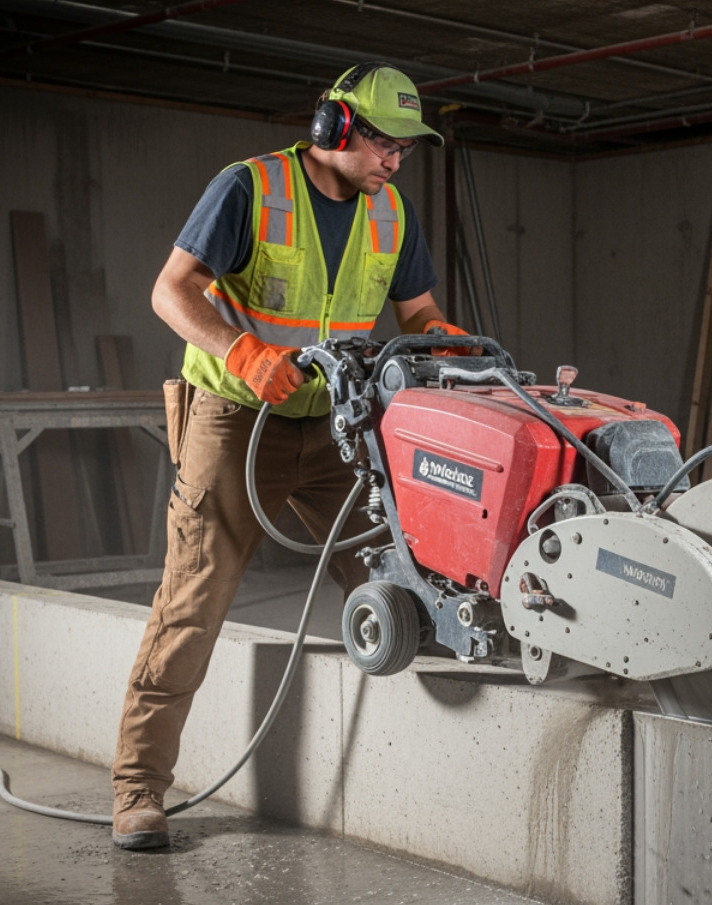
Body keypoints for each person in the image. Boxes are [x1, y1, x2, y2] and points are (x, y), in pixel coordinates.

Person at [111, 64, 467, 850]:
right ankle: (138, 790)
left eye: (407, 149)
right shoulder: (250, 190)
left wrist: (443, 340)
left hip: (338, 427)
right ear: (334, 129)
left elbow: (420, 310)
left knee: (400, 579)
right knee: (193, 601)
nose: (396, 161)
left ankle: (437, 784)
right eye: (385, 143)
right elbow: (171, 292)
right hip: (238, 421)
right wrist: (241, 353)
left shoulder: (389, 211)